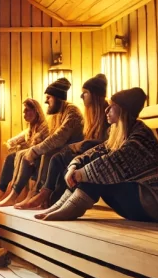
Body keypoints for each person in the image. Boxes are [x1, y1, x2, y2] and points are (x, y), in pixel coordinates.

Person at [34, 87, 158, 222]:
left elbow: (111, 164)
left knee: (96, 173)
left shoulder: (140, 138)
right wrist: (74, 166)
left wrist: (79, 174)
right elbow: (96, 152)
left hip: (152, 205)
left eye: (112, 106)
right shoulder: (123, 133)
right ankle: (60, 207)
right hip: (139, 202)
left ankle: (68, 210)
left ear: (124, 110)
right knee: (91, 167)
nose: (106, 109)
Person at [18, 74, 109, 210]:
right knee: (34, 154)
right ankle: (33, 194)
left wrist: (37, 149)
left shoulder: (101, 112)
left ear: (94, 95)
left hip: (92, 155)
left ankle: (43, 194)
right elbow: (50, 135)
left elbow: (60, 137)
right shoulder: (86, 114)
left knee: (54, 156)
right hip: (81, 154)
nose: (81, 96)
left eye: (85, 93)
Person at [0, 77, 84, 207]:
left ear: (58, 97)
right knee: (20, 155)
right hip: (61, 151)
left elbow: (58, 138)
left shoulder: (72, 112)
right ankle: (12, 194)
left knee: (45, 153)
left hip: (72, 152)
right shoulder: (57, 114)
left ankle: (34, 194)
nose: (46, 101)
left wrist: (35, 150)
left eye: (49, 97)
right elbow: (44, 137)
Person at [0, 99, 48, 204]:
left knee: (24, 157)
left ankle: (14, 195)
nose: (24, 114)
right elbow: (20, 137)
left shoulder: (44, 127)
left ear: (36, 111)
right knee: (10, 158)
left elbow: (41, 144)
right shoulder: (31, 128)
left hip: (40, 158)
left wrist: (25, 149)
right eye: (24, 111)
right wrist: (11, 143)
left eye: (27, 110)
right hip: (31, 156)